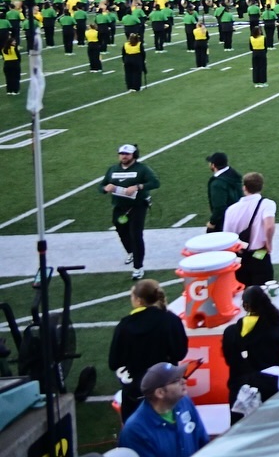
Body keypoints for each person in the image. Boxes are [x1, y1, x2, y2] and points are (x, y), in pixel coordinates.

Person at [108, 279, 188, 421]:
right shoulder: (171, 320)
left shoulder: (125, 325)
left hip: (135, 391)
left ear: (138, 300)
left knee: (137, 436)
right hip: (166, 388)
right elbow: (180, 352)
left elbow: (114, 362)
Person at [221, 285, 279, 423]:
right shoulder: (276, 327)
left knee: (239, 431)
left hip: (239, 389)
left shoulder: (230, 332)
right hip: (269, 386)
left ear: (246, 306)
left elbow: (229, 360)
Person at [118, 362, 209, 457]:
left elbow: (202, 441)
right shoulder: (136, 430)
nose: (184, 381)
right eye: (176, 380)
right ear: (160, 393)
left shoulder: (184, 402)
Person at [101, 143, 159, 280]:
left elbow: (155, 183)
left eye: (127, 154)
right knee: (120, 230)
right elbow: (101, 186)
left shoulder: (142, 169)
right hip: (120, 206)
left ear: (134, 155)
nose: (124, 156)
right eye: (121, 153)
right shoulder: (112, 169)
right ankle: (131, 251)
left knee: (136, 235)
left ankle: (138, 267)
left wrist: (138, 186)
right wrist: (105, 189)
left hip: (137, 206)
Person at [223, 172, 276, 286]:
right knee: (263, 293)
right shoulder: (267, 204)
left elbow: (227, 237)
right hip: (259, 253)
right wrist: (269, 243)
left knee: (243, 295)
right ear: (261, 186)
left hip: (240, 256)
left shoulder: (231, 210)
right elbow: (270, 226)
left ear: (244, 188)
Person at [205, 152, 242, 232]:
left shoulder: (217, 184)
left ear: (213, 165)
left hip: (225, 222)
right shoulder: (234, 175)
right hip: (239, 217)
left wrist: (212, 222)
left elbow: (219, 207)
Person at [249, 23, 268, 87]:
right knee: (262, 67)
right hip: (262, 52)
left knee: (255, 68)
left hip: (254, 52)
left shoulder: (251, 38)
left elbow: (250, 48)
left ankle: (256, 82)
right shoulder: (263, 37)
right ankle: (263, 82)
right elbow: (265, 46)